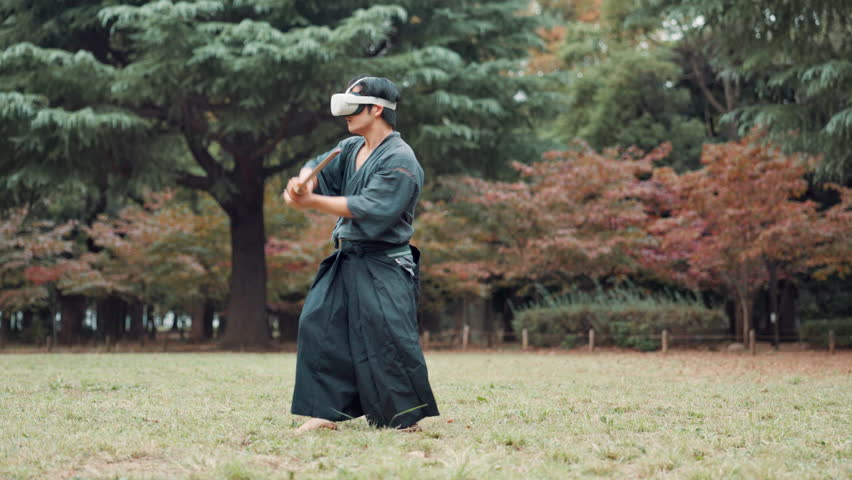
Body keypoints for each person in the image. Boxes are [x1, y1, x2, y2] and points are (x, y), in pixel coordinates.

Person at [282, 75, 439, 433]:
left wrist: (312, 202)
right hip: (348, 256)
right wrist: (304, 179)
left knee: (386, 337)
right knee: (319, 325)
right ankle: (326, 413)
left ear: (376, 109)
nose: (347, 116)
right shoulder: (350, 148)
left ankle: (403, 418)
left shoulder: (400, 160)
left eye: (355, 109)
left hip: (384, 261)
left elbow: (369, 207)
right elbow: (319, 163)